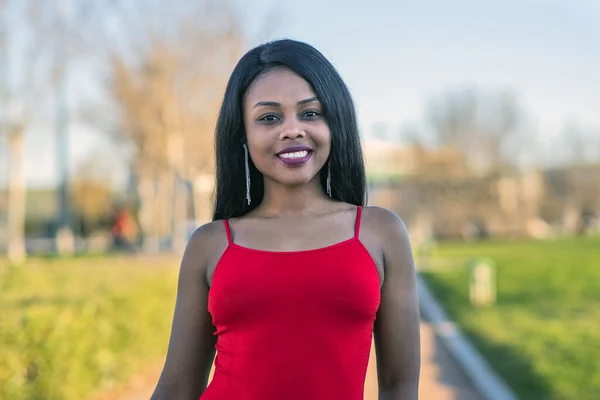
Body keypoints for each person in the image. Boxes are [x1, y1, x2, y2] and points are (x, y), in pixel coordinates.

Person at [150, 39, 420, 400]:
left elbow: (400, 387)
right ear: (242, 135)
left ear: (335, 123)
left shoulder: (381, 234)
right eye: (269, 117)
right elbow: (176, 388)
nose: (292, 129)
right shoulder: (209, 244)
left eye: (310, 113)